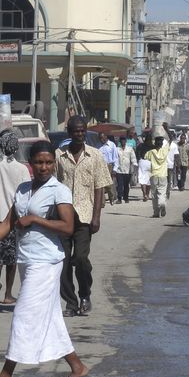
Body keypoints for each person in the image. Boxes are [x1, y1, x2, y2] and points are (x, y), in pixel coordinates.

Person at [0, 141, 90, 377]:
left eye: (48, 162)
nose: (44, 167)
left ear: (54, 164)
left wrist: (35, 219)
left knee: (23, 315)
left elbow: (67, 227)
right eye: (38, 162)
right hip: (27, 259)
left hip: (46, 262)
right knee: (50, 318)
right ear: (30, 164)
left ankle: (6, 374)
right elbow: (7, 223)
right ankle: (78, 367)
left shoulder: (59, 190)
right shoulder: (23, 189)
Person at [55, 115, 111, 317]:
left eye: (82, 130)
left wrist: (97, 217)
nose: (79, 134)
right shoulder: (59, 155)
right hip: (62, 216)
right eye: (75, 131)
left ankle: (85, 294)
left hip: (85, 216)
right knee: (63, 262)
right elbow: (52, 184)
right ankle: (71, 303)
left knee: (80, 259)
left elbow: (99, 187)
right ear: (69, 133)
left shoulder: (95, 155)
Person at [0, 129, 31, 309]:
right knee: (11, 258)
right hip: (12, 217)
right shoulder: (21, 169)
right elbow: (27, 193)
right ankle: (8, 293)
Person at [145, 136, 169, 218]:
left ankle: (156, 212)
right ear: (162, 144)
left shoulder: (150, 152)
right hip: (163, 175)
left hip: (153, 175)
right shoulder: (165, 151)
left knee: (154, 195)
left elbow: (145, 159)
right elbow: (171, 139)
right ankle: (162, 204)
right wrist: (166, 129)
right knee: (162, 193)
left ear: (155, 143)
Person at [115, 136, 137, 204]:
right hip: (119, 169)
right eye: (121, 141)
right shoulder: (117, 149)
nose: (123, 142)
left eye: (124, 140)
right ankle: (119, 198)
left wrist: (134, 166)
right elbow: (115, 158)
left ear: (126, 141)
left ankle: (126, 197)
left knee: (126, 185)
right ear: (120, 142)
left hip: (128, 170)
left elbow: (133, 158)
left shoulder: (130, 149)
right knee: (120, 185)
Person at [98, 133, 119, 206]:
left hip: (109, 166)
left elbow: (116, 158)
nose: (101, 140)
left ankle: (112, 197)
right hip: (100, 166)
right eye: (100, 138)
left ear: (106, 137)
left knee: (109, 184)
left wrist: (115, 169)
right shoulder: (98, 146)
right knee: (100, 184)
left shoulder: (112, 145)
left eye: (102, 138)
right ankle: (102, 202)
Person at [136, 134, 153, 201]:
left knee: (142, 179)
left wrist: (139, 159)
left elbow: (137, 153)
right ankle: (147, 194)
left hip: (142, 162)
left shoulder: (141, 145)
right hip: (150, 162)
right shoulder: (153, 146)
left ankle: (144, 194)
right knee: (149, 180)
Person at [166, 132, 180, 197]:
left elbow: (176, 156)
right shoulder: (164, 144)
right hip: (165, 165)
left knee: (168, 179)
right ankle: (166, 191)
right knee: (166, 180)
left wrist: (178, 166)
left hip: (170, 165)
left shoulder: (174, 145)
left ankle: (167, 191)